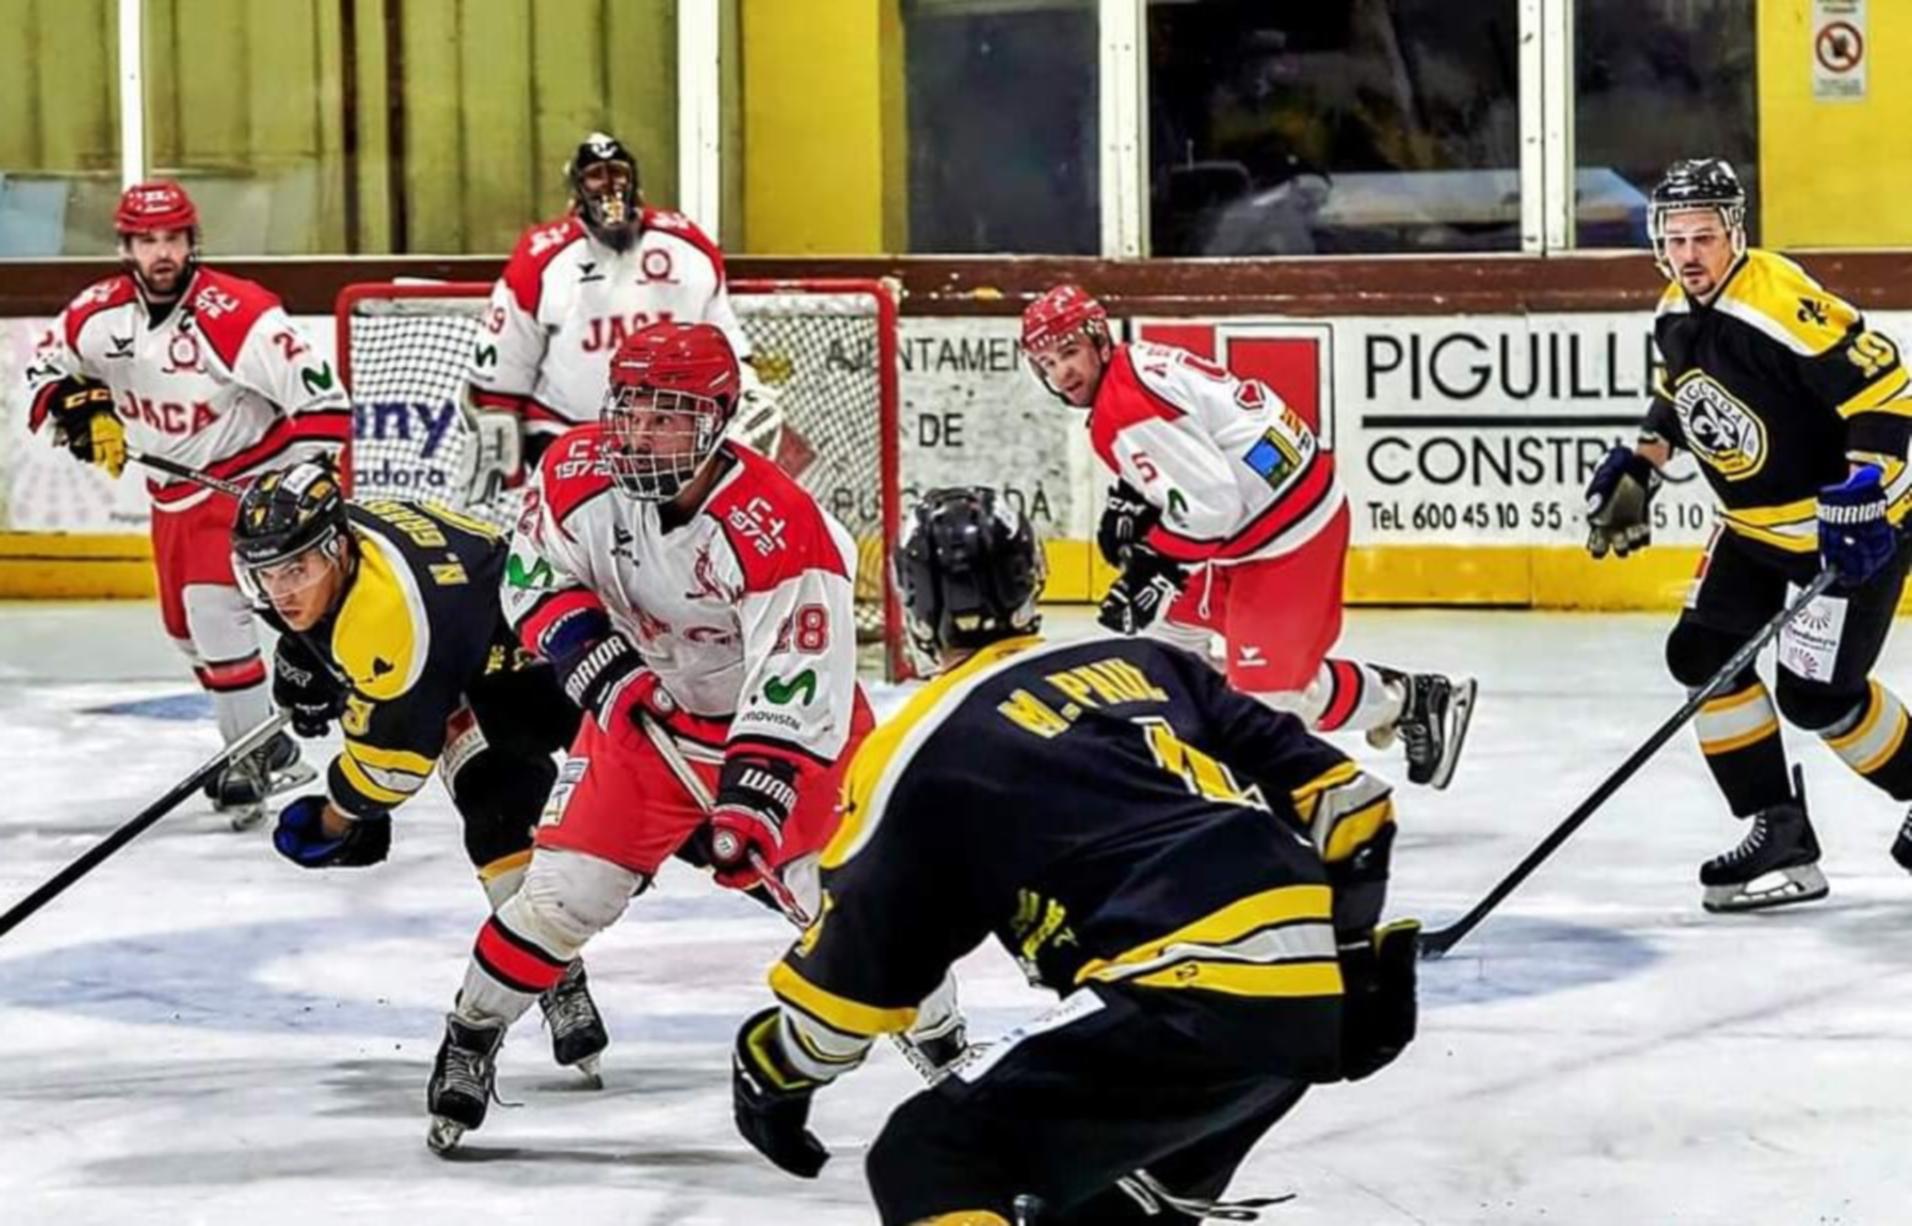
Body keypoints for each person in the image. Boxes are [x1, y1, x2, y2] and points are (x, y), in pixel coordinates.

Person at [728, 487, 1420, 1223]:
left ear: (913, 605)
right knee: (1110, 1204)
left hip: (1175, 995)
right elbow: (1353, 808)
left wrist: (773, 1065)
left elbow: (853, 983)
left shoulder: (916, 748)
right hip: (1299, 1005)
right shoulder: (1143, 662)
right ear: (1034, 578)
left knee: (928, 1157)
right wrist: (1344, 959)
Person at [425, 321, 962, 1151]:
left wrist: (751, 799)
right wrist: (589, 657)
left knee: (860, 912)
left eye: (666, 414)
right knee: (561, 900)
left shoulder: (782, 527)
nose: (639, 432)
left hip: (783, 741)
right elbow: (534, 573)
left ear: (717, 420)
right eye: (629, 408)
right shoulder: (573, 473)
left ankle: (950, 1056)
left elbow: (798, 679)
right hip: (638, 725)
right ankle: (470, 1036)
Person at [1584, 157, 1912, 913]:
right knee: (1702, 655)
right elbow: (1679, 394)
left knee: (1818, 699)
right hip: (1752, 532)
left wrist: (1863, 487)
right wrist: (1643, 459)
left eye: (1704, 236)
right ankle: (1781, 832)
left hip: (1846, 532)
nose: (1689, 254)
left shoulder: (1776, 300)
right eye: (1675, 238)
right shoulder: (1675, 307)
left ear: (1736, 233)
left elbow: (1885, 387)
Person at [226, 459, 604, 1093]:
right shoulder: (347, 550)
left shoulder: (384, 620)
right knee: (497, 815)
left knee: (677, 816)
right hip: (480, 646)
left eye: (296, 570)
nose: (282, 591)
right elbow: (325, 612)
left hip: (544, 658)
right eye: (268, 573)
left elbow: (391, 772)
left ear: (337, 550)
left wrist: (336, 821)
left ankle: (824, 943)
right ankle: (558, 976)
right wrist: (306, 650)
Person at [1019, 283, 1475, 789]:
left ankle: (1409, 702)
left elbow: (1213, 505)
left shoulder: (1125, 406)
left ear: (1100, 342)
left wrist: (1158, 567)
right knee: (1164, 647)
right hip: (1252, 526)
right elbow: (1200, 460)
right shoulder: (1134, 366)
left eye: (1069, 352)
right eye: (1047, 362)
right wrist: (1137, 498)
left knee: (1264, 705)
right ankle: (1196, 768)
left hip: (1290, 537)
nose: (1062, 372)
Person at [23, 181, 348, 825]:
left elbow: (325, 405)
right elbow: (44, 371)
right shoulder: (97, 315)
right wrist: (80, 408)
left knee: (211, 612)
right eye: (148, 241)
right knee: (184, 634)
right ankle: (269, 738)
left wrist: (293, 492)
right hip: (170, 495)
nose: (162, 253)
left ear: (192, 241)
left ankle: (252, 757)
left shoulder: (239, 314)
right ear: (126, 246)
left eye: (173, 238)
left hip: (247, 484)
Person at [462, 131, 776, 502]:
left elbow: (727, 349)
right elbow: (498, 380)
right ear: (578, 188)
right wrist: (504, 461)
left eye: (617, 173)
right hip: (568, 438)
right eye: (596, 175)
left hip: (668, 445)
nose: (609, 186)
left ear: (635, 180)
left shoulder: (688, 247)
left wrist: (745, 392)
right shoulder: (541, 258)